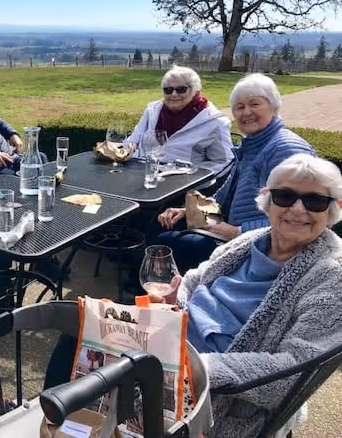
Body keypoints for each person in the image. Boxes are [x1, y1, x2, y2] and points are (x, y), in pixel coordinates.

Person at [45, 153, 342, 438]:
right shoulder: (252, 241)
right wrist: (176, 297)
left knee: (112, 374)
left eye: (315, 201)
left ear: (333, 208)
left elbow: (294, 371)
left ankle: (76, 423)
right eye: (286, 197)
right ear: (268, 200)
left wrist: (204, 367)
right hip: (174, 342)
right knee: (78, 330)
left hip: (216, 389)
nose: (299, 209)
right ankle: (56, 423)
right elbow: (194, 278)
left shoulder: (330, 277)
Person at [157, 73, 315, 273]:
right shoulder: (254, 144)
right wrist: (190, 210)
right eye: (239, 107)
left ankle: (161, 293)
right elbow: (226, 194)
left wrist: (235, 232)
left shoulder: (286, 150)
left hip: (259, 247)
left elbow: (298, 219)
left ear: (274, 107)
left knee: (167, 244)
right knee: (163, 225)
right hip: (233, 232)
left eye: (254, 104)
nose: (246, 112)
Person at [126, 65, 234, 176]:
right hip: (144, 175)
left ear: (195, 91)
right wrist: (122, 151)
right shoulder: (152, 111)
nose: (174, 94)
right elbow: (132, 143)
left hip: (186, 186)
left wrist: (189, 175)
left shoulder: (215, 122)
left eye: (181, 89)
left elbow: (224, 163)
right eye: (168, 90)